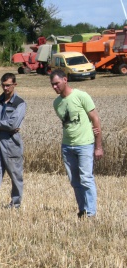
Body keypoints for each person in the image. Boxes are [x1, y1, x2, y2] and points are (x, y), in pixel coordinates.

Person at [49, 69, 103, 218]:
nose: (54, 87)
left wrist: (98, 147)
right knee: (75, 181)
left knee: (86, 178)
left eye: (57, 83)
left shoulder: (81, 96)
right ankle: (82, 210)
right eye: (52, 85)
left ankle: (91, 213)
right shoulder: (57, 103)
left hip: (85, 144)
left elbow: (95, 120)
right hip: (67, 146)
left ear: (65, 80)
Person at [0, 73, 26, 208]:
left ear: (14, 85)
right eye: (3, 85)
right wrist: (0, 125)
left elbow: (13, 124)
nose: (6, 88)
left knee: (15, 175)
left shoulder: (20, 103)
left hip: (12, 142)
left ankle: (15, 204)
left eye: (8, 85)